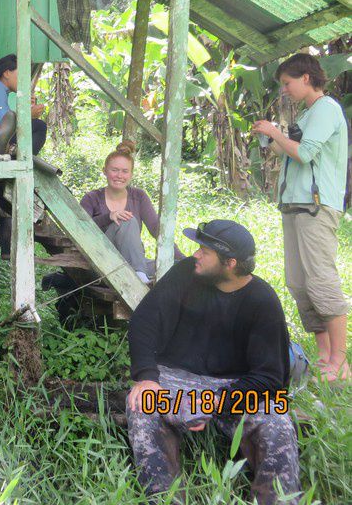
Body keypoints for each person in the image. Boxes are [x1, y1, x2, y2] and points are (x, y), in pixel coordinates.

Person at [126, 219, 299, 505]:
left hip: (236, 386)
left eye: (205, 251)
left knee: (277, 423)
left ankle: (277, 500)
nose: (196, 254)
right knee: (143, 405)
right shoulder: (186, 273)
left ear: (230, 263)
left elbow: (270, 377)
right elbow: (145, 321)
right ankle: (164, 498)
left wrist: (215, 402)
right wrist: (146, 376)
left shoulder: (262, 299)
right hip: (176, 377)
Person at [253, 53, 349, 382]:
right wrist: (271, 137)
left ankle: (340, 361)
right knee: (297, 282)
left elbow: (305, 154)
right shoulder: (308, 114)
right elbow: (291, 152)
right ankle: (324, 355)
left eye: (287, 83)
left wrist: (276, 132)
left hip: (316, 207)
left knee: (321, 280)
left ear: (306, 78)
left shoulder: (326, 108)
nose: (285, 90)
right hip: (294, 205)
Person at [80, 141, 184, 282]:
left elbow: (156, 229)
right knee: (126, 220)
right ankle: (140, 278)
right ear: (104, 171)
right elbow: (80, 230)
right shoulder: (91, 198)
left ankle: (139, 273)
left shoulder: (139, 196)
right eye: (114, 170)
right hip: (102, 262)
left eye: (125, 171)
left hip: (133, 262)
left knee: (176, 267)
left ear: (131, 174)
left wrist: (183, 259)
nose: (119, 175)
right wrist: (108, 217)